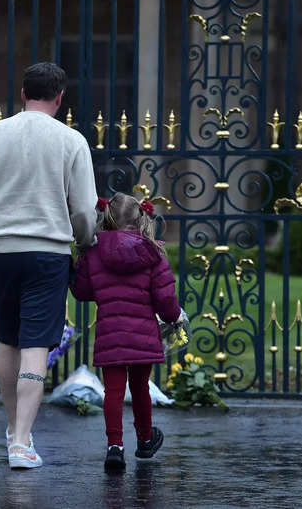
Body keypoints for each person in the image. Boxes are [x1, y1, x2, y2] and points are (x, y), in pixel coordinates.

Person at [0, 62, 98, 469]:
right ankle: (22, 442)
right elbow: (84, 209)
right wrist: (85, 243)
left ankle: (14, 430)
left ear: (22, 92)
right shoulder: (72, 140)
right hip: (48, 253)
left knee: (8, 341)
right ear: (60, 97)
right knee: (35, 346)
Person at [70, 192, 180, 472]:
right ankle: (144, 440)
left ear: (107, 218)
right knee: (140, 387)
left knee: (114, 391)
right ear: (142, 218)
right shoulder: (153, 252)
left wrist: (77, 264)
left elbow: (82, 291)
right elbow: (165, 300)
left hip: (111, 333)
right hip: (142, 334)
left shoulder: (93, 252)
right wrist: (174, 317)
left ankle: (114, 447)